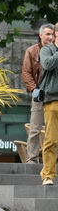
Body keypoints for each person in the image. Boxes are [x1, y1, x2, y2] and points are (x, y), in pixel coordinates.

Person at [22, 24, 55, 164]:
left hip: (54, 94)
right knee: (35, 128)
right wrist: (35, 89)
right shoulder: (32, 51)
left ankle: (52, 160)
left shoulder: (55, 51)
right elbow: (26, 73)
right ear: (40, 35)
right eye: (47, 34)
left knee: (53, 129)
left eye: (52, 34)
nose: (50, 37)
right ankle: (32, 159)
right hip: (40, 94)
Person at [40, 25, 58, 185]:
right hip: (52, 99)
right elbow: (47, 65)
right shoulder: (47, 50)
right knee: (51, 139)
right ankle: (48, 175)